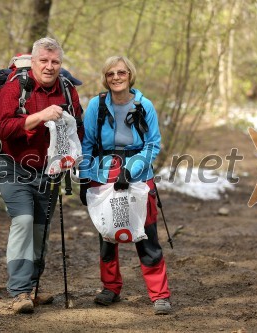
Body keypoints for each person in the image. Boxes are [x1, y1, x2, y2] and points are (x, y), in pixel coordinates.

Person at [0, 37, 83, 314]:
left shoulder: (67, 90)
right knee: (23, 221)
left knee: (39, 231)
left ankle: (31, 287)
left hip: (50, 171)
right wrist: (41, 115)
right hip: (14, 165)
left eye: (55, 61)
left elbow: (78, 128)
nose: (49, 66)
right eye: (43, 60)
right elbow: (5, 129)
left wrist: (71, 151)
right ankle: (19, 293)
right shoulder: (14, 86)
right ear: (33, 62)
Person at [78, 56, 172, 315]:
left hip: (138, 173)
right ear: (105, 78)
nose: (116, 77)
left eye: (121, 72)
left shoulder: (145, 105)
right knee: (108, 233)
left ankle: (160, 294)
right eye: (110, 74)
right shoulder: (97, 106)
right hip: (104, 172)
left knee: (146, 233)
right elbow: (87, 145)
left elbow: (153, 144)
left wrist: (131, 171)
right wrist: (86, 179)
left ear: (130, 75)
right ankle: (110, 287)